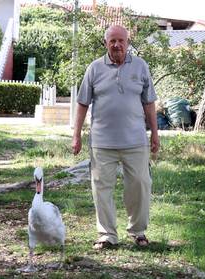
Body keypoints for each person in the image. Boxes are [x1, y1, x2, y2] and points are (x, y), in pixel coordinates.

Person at [72, 25, 159, 250]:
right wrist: (77, 136)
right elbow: (82, 104)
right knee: (101, 188)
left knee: (140, 185)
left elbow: (149, 103)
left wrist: (155, 134)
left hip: (135, 141)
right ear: (105, 43)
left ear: (128, 43)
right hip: (102, 142)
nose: (117, 45)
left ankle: (138, 231)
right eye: (112, 41)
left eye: (121, 40)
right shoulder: (94, 69)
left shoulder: (141, 67)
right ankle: (107, 234)